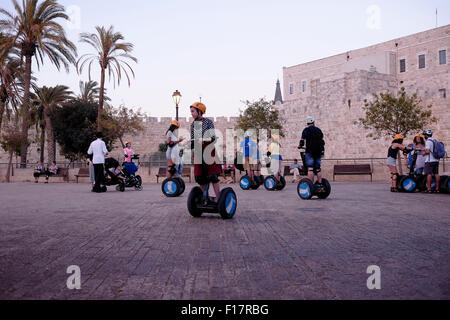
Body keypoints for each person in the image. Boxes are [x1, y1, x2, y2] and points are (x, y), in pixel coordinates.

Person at [190, 102, 222, 200]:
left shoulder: (208, 122)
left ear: (200, 111)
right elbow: (192, 140)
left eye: (193, 111)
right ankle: (206, 198)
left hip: (209, 150)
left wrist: (204, 139)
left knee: (212, 176)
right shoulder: (193, 125)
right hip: (198, 151)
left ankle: (218, 199)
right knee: (200, 177)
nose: (191, 113)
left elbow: (213, 137)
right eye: (191, 111)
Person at [298, 116, 325, 185]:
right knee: (318, 169)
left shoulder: (306, 130)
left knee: (310, 169)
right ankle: (320, 185)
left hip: (310, 151)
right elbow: (322, 139)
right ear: (313, 122)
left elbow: (302, 141)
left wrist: (300, 146)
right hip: (318, 152)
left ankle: (311, 185)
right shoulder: (319, 130)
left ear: (307, 123)